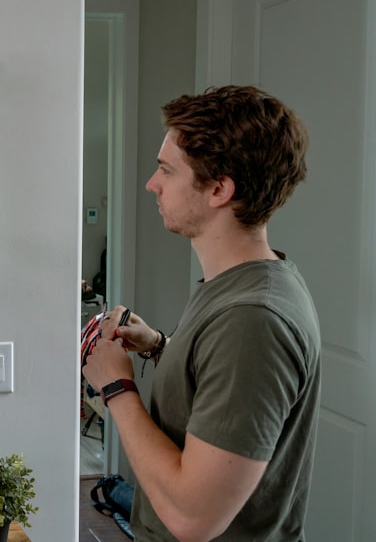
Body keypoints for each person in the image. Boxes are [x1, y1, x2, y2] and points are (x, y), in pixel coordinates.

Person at [82, 85, 321, 542]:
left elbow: (194, 518)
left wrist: (116, 386)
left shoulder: (254, 319)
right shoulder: (237, 285)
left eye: (166, 170)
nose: (153, 183)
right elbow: (224, 387)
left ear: (218, 189)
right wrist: (159, 346)